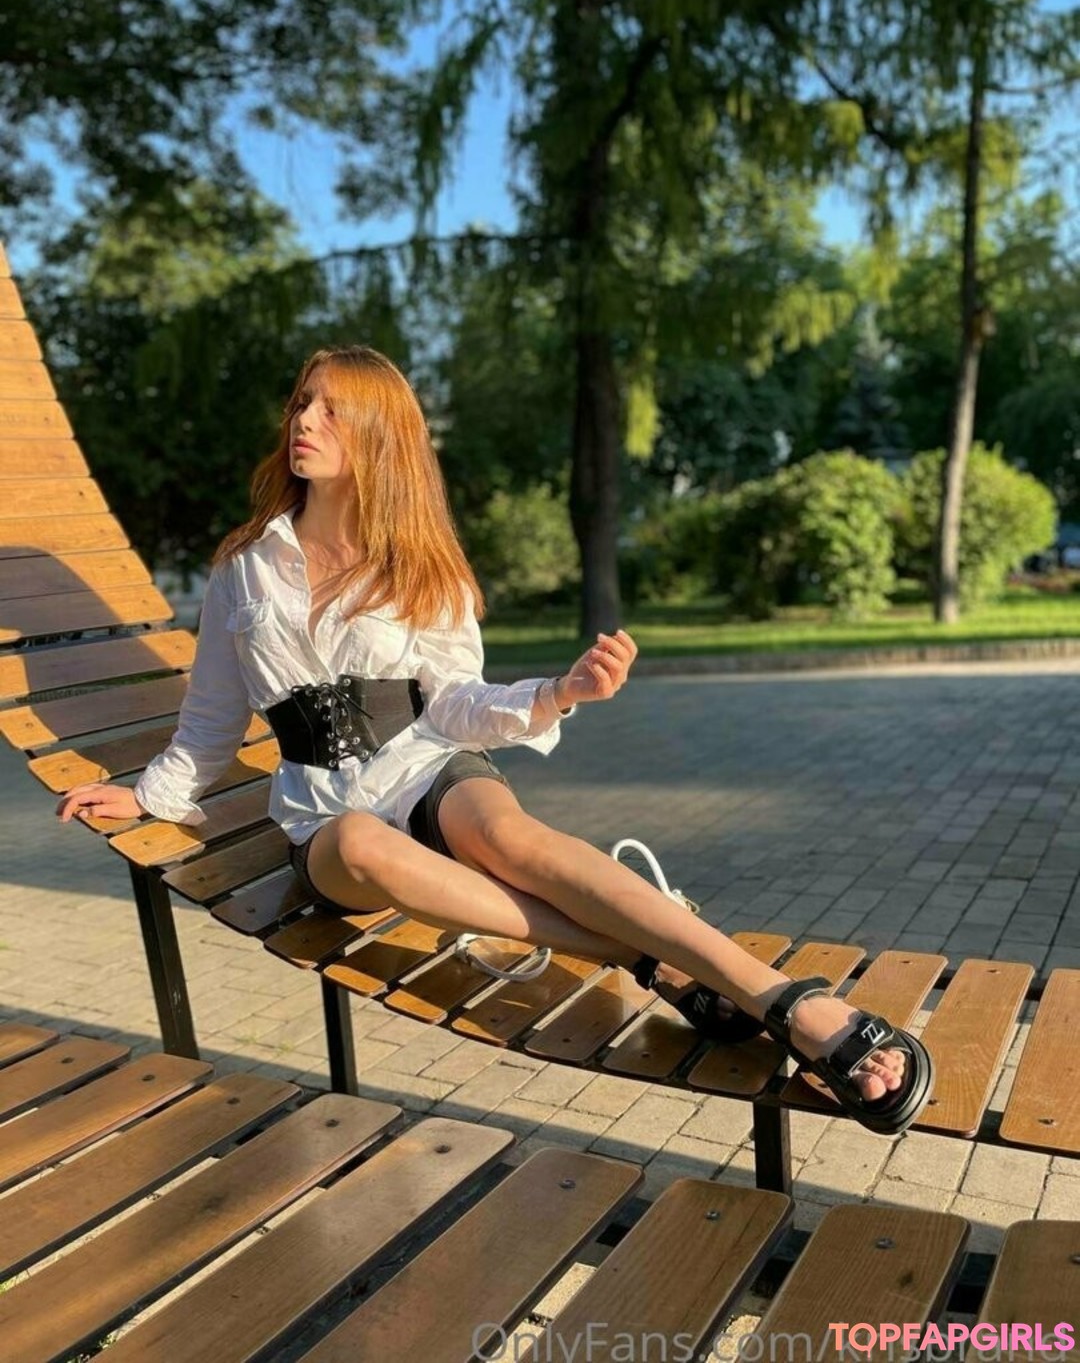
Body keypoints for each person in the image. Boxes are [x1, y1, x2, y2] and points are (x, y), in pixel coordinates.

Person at [58, 344, 933, 1135]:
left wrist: (556, 694)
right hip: (323, 815)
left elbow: (455, 703)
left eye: (331, 409)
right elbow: (211, 717)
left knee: (512, 837)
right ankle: (650, 949)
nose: (304, 422)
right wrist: (151, 794)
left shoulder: (421, 564)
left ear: (381, 437)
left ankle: (790, 1001)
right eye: (301, 404)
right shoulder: (244, 566)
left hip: (427, 760)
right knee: (360, 842)